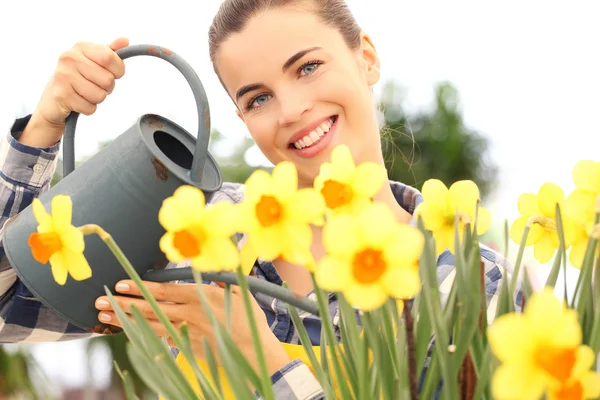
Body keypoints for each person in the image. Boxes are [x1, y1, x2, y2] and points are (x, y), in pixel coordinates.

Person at [0, 0, 519, 398]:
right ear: (241, 118)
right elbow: (7, 309)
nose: (291, 108)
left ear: (366, 57)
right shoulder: (203, 232)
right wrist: (43, 129)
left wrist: (260, 358)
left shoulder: (472, 285)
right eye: (258, 98)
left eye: (308, 67)